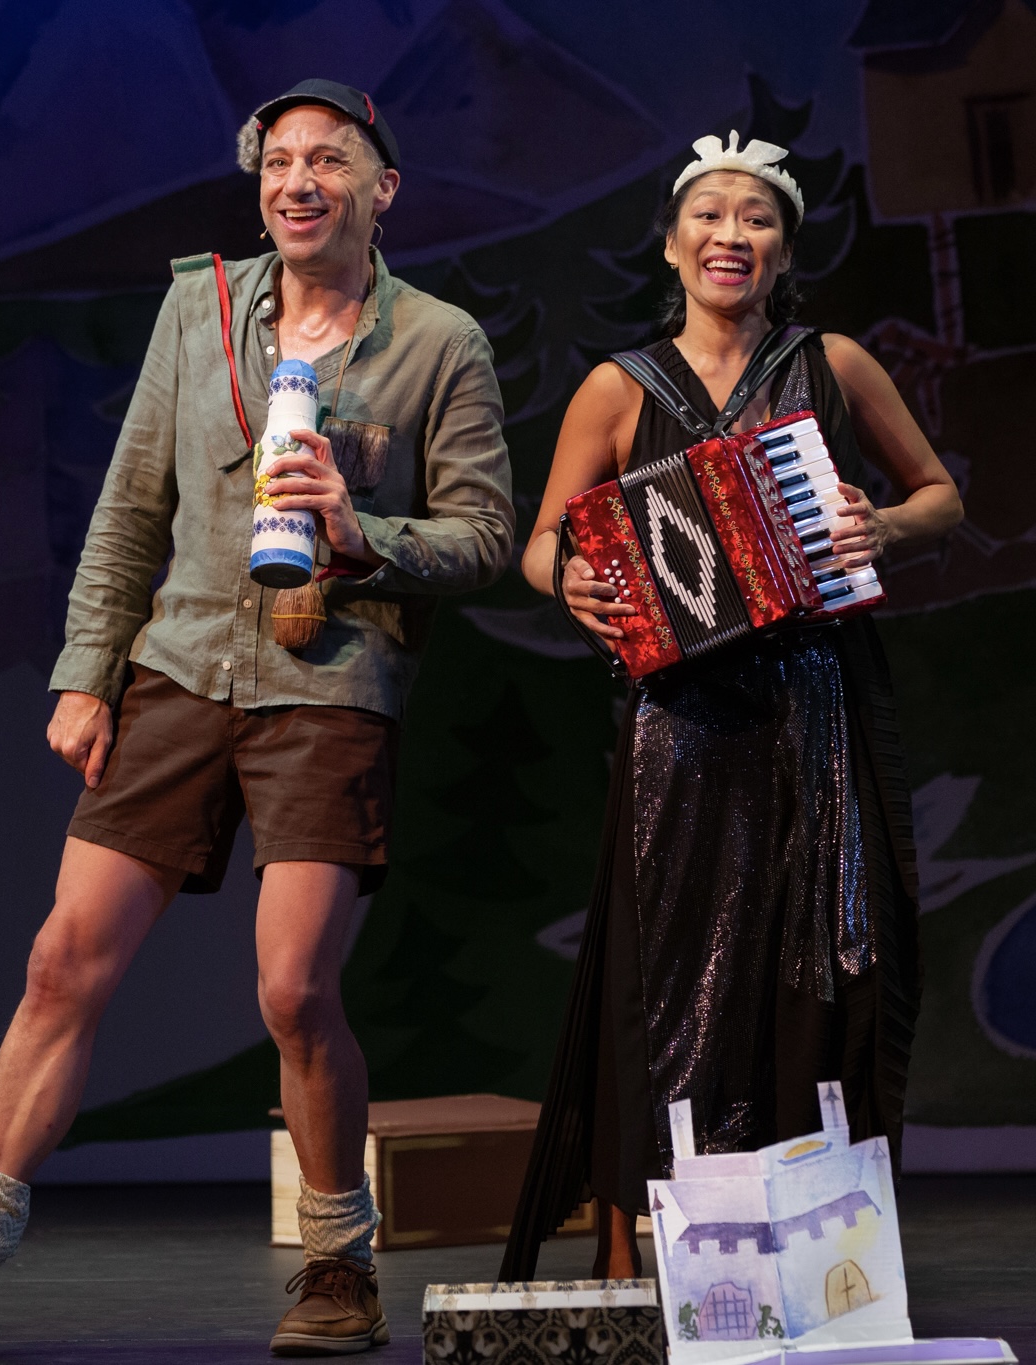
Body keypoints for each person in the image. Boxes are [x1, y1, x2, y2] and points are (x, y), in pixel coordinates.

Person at [0, 79, 513, 1358]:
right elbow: (132, 503)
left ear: (382, 188)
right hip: (178, 667)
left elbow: (483, 539)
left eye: (327, 161)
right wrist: (87, 672)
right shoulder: (198, 309)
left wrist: (360, 532)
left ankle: (338, 1271)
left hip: (326, 683)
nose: (297, 181)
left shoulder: (438, 342)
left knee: (292, 989)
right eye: (277, 162)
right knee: (61, 959)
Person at [499, 132, 962, 1283]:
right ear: (670, 244)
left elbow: (939, 497)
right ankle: (645, 1243)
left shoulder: (832, 364)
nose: (730, 234)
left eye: (756, 219)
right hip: (682, 727)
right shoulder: (620, 388)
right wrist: (571, 580)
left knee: (819, 971)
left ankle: (810, 1254)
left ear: (782, 253)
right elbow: (541, 540)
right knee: (664, 978)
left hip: (816, 707)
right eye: (708, 215)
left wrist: (878, 525)